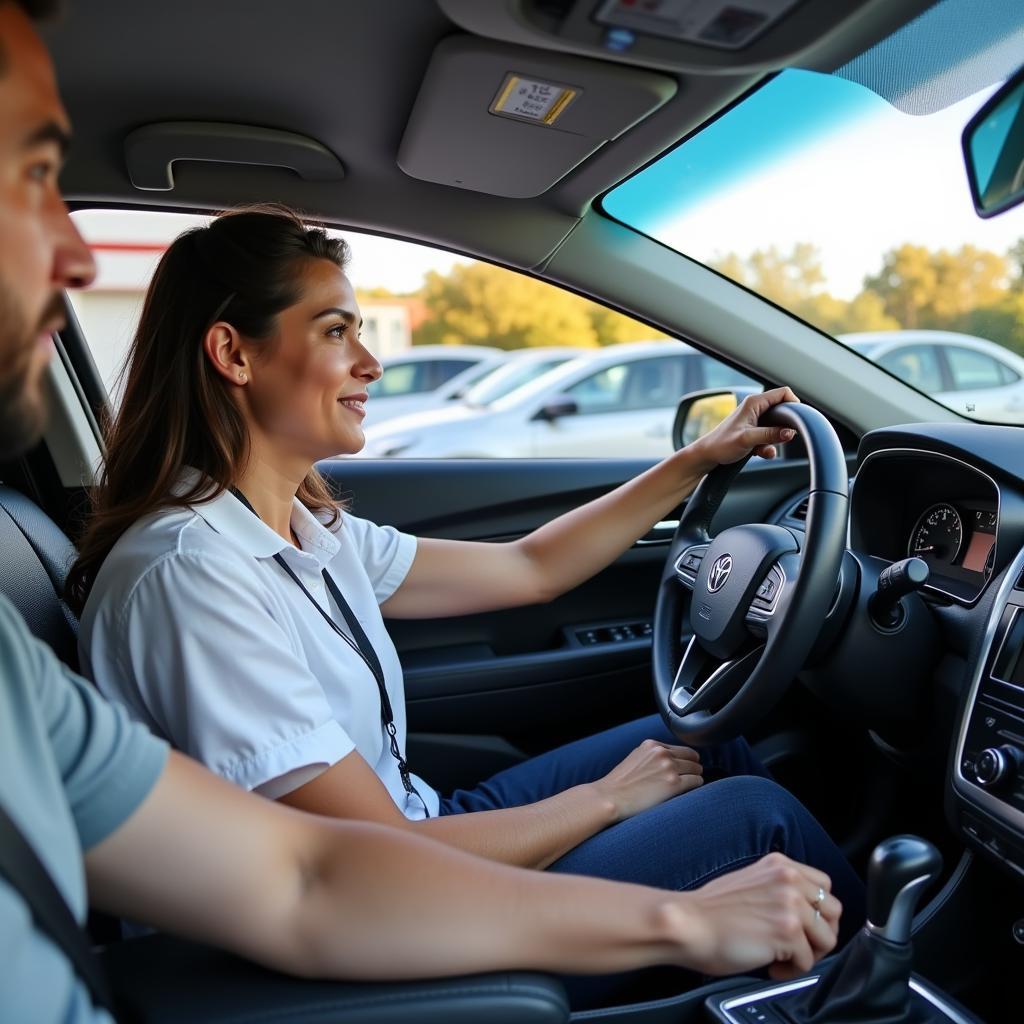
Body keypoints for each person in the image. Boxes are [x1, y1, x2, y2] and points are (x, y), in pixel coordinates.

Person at [0, 2, 852, 1019]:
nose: (370, 361)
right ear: (233, 355)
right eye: (334, 330)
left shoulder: (301, 526)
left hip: (424, 826)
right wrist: (606, 800)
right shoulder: (191, 570)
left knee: (708, 745)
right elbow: (355, 862)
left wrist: (697, 461)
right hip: (382, 919)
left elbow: (528, 569)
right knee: (751, 813)